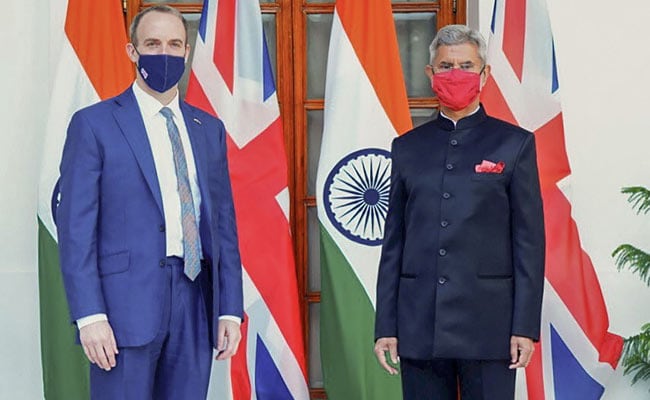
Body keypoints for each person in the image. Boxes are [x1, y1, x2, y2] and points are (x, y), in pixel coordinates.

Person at [56, 5, 243, 399]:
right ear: (132, 51)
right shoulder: (94, 124)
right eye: (153, 44)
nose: (164, 53)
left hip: (195, 303)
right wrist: (89, 315)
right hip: (123, 309)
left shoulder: (208, 129)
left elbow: (223, 225)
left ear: (187, 51)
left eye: (174, 44)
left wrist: (229, 308)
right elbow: (76, 230)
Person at [373, 24, 545, 400]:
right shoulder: (407, 147)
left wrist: (525, 326)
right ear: (430, 73)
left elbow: (529, 244)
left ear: (484, 73)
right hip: (419, 323)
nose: (456, 74)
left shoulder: (514, 144)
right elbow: (394, 244)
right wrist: (386, 325)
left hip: (490, 325)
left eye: (466, 66)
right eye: (446, 66)